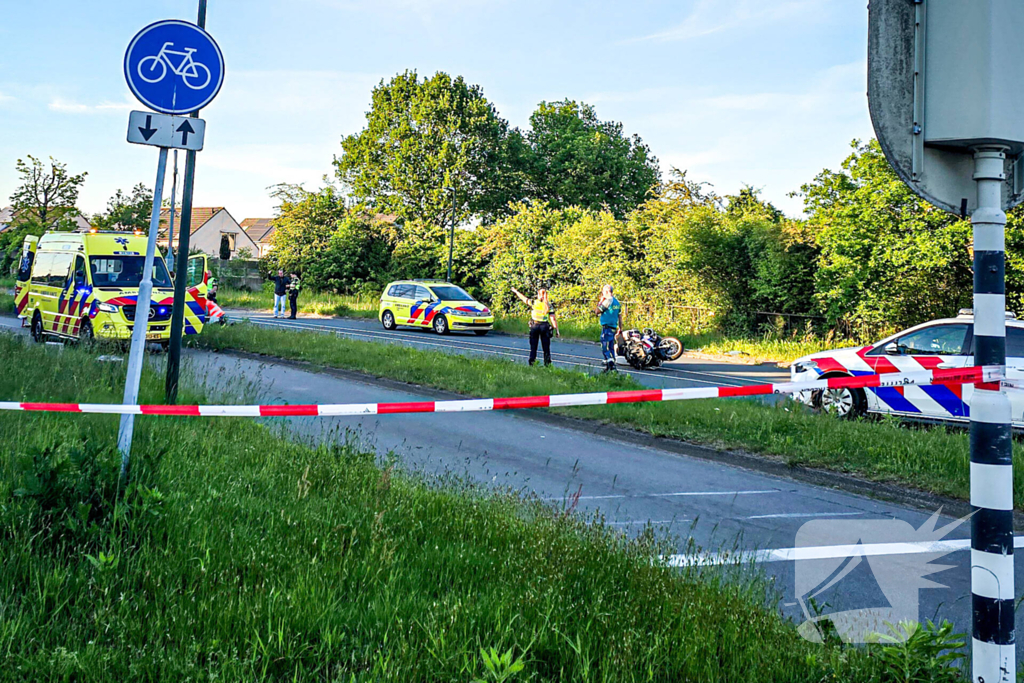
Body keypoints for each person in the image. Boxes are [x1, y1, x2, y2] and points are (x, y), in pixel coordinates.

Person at [511, 286, 559, 366]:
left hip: (535, 326)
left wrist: (516, 292)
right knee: (546, 348)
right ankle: (547, 364)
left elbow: (524, 298)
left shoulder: (534, 302)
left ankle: (532, 363)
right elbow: (553, 319)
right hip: (545, 327)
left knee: (533, 347)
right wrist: (556, 330)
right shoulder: (549, 305)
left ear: (538, 295)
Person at [594, 284, 622, 372]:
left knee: (604, 345)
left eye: (603, 292)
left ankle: (610, 362)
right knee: (611, 346)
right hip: (614, 327)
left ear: (606, 291)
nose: (602, 293)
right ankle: (610, 366)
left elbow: (597, 311)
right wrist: (620, 328)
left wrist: (600, 301)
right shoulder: (617, 302)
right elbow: (620, 316)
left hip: (607, 327)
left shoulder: (607, 301)